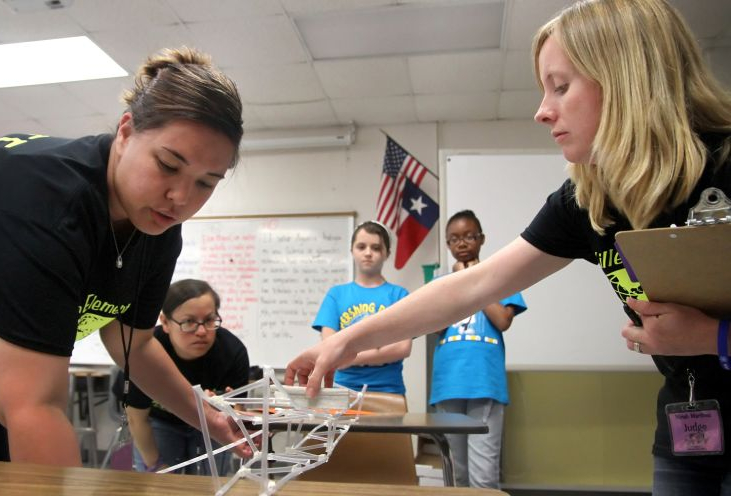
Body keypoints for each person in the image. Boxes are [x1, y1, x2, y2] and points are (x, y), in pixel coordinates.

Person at [285, 1, 731, 493]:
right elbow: (473, 286)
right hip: (689, 429)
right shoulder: (588, 201)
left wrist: (716, 339)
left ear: (628, 79)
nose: (542, 111)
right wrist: (344, 343)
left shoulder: (723, 164)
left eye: (561, 87)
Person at [0, 46, 253, 466]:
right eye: (168, 165)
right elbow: (33, 406)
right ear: (125, 131)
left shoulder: (157, 226)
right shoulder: (41, 202)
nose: (180, 198)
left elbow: (134, 346)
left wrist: (207, 418)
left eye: (206, 183)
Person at [431, 210, 526, 489]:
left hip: (485, 384)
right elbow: (434, 326)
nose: (462, 244)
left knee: (483, 476)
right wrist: (457, 283)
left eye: (469, 236)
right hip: (448, 385)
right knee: (455, 475)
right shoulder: (440, 283)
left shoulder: (499, 277)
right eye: (454, 239)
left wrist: (474, 280)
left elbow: (502, 320)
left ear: (481, 239)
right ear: (448, 244)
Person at [125, 279, 249, 475]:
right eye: (189, 322)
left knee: (210, 484)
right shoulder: (144, 354)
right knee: (158, 486)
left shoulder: (232, 352)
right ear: (165, 322)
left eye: (209, 320)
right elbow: (136, 419)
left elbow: (239, 416)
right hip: (160, 422)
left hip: (211, 424)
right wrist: (155, 466)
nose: (201, 332)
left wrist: (225, 411)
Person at [312, 220, 411, 395]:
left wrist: (351, 357)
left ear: (387, 253)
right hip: (341, 390)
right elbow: (330, 345)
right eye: (361, 246)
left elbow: (402, 348)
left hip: (389, 391)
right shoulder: (336, 295)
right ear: (352, 251)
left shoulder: (399, 295)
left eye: (376, 248)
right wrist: (379, 352)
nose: (368, 253)